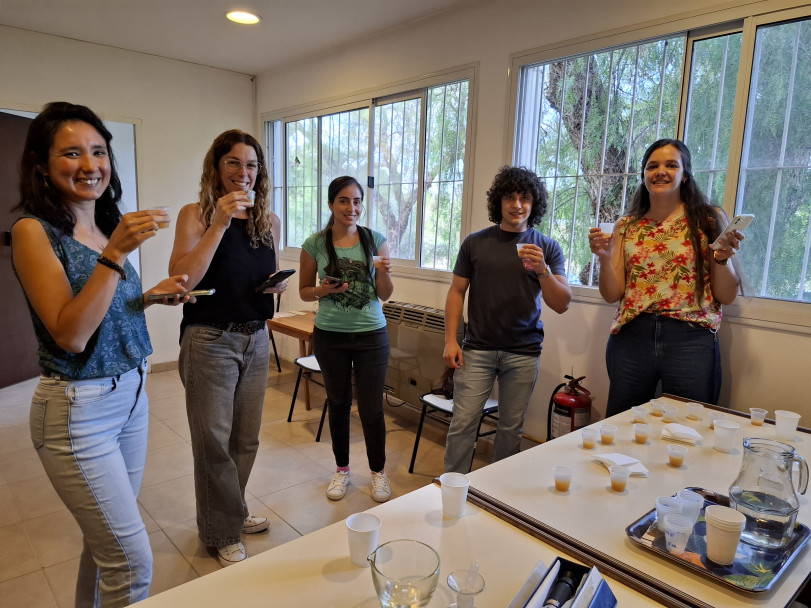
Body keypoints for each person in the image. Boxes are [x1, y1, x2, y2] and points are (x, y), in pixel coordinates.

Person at [11, 101, 191, 607]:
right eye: (71, 153)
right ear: (42, 165)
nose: (90, 164)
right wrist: (115, 254)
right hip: (78, 410)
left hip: (133, 396)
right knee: (132, 559)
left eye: (97, 151)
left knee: (106, 544)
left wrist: (152, 294)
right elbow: (70, 335)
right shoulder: (34, 232)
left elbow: (106, 307)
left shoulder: (104, 223)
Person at [168, 130, 286, 567]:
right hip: (209, 340)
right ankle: (221, 531)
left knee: (245, 440)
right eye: (233, 163)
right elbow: (181, 280)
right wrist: (218, 222)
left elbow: (262, 277)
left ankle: (230, 513)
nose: (243, 172)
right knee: (213, 443)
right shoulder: (195, 214)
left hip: (255, 337)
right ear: (216, 168)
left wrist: (276, 285)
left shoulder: (268, 221)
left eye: (251, 164)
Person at [588, 138, 743, 418]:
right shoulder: (627, 225)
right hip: (632, 336)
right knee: (624, 425)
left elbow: (727, 296)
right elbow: (612, 294)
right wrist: (603, 257)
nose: (660, 171)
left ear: (685, 174)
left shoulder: (708, 219)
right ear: (644, 175)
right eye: (652, 166)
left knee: (688, 429)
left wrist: (722, 258)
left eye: (671, 165)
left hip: (691, 339)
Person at [443, 166, 572, 474]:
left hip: (524, 352)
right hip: (477, 349)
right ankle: (451, 488)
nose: (517, 204)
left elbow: (561, 303)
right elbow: (456, 292)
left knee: (510, 429)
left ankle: (495, 493)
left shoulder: (548, 247)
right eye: (510, 197)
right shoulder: (475, 243)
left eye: (525, 198)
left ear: (534, 203)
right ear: (498, 202)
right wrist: (450, 340)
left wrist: (542, 269)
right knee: (463, 424)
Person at [299, 176, 394, 502]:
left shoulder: (375, 240)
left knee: (371, 409)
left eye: (356, 201)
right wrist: (322, 290)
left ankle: (379, 474)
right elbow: (303, 291)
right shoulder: (314, 244)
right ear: (331, 204)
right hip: (329, 335)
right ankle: (341, 471)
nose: (351, 207)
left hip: (372, 336)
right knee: (338, 405)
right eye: (343, 200)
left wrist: (385, 272)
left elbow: (384, 295)